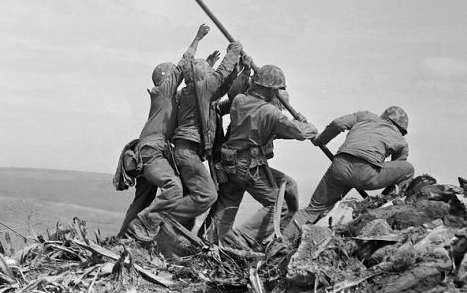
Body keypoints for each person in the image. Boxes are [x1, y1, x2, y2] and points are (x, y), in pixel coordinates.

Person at [209, 64, 318, 247]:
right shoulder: (270, 112)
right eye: (275, 90)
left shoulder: (239, 101)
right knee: (278, 207)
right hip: (249, 165)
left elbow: (274, 130)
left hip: (230, 162)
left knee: (227, 205)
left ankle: (211, 241)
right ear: (269, 89)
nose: (276, 94)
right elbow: (300, 132)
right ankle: (242, 239)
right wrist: (308, 125)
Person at [122, 26, 211, 242]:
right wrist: (197, 39)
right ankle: (145, 225)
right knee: (174, 187)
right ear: (167, 78)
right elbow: (183, 64)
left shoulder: (168, 99)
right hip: (152, 151)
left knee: (142, 200)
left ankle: (123, 238)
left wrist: (206, 66)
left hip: (150, 151)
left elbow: (195, 88)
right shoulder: (163, 92)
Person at [289, 106, 414, 233]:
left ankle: (282, 239)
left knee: (311, 210)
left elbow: (338, 124)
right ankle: (386, 204)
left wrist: (320, 140)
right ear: (401, 128)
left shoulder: (365, 116)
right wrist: (383, 198)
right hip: (367, 174)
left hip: (340, 167)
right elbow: (398, 169)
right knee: (408, 169)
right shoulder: (401, 140)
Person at [167, 26, 243, 228]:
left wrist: (238, 70)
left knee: (192, 197)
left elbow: (223, 87)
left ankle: (173, 232)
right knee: (207, 195)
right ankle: (162, 219)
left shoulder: (191, 92)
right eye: (208, 73)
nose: (211, 76)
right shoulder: (201, 89)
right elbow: (221, 75)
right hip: (188, 152)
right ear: (203, 77)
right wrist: (234, 51)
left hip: (186, 151)